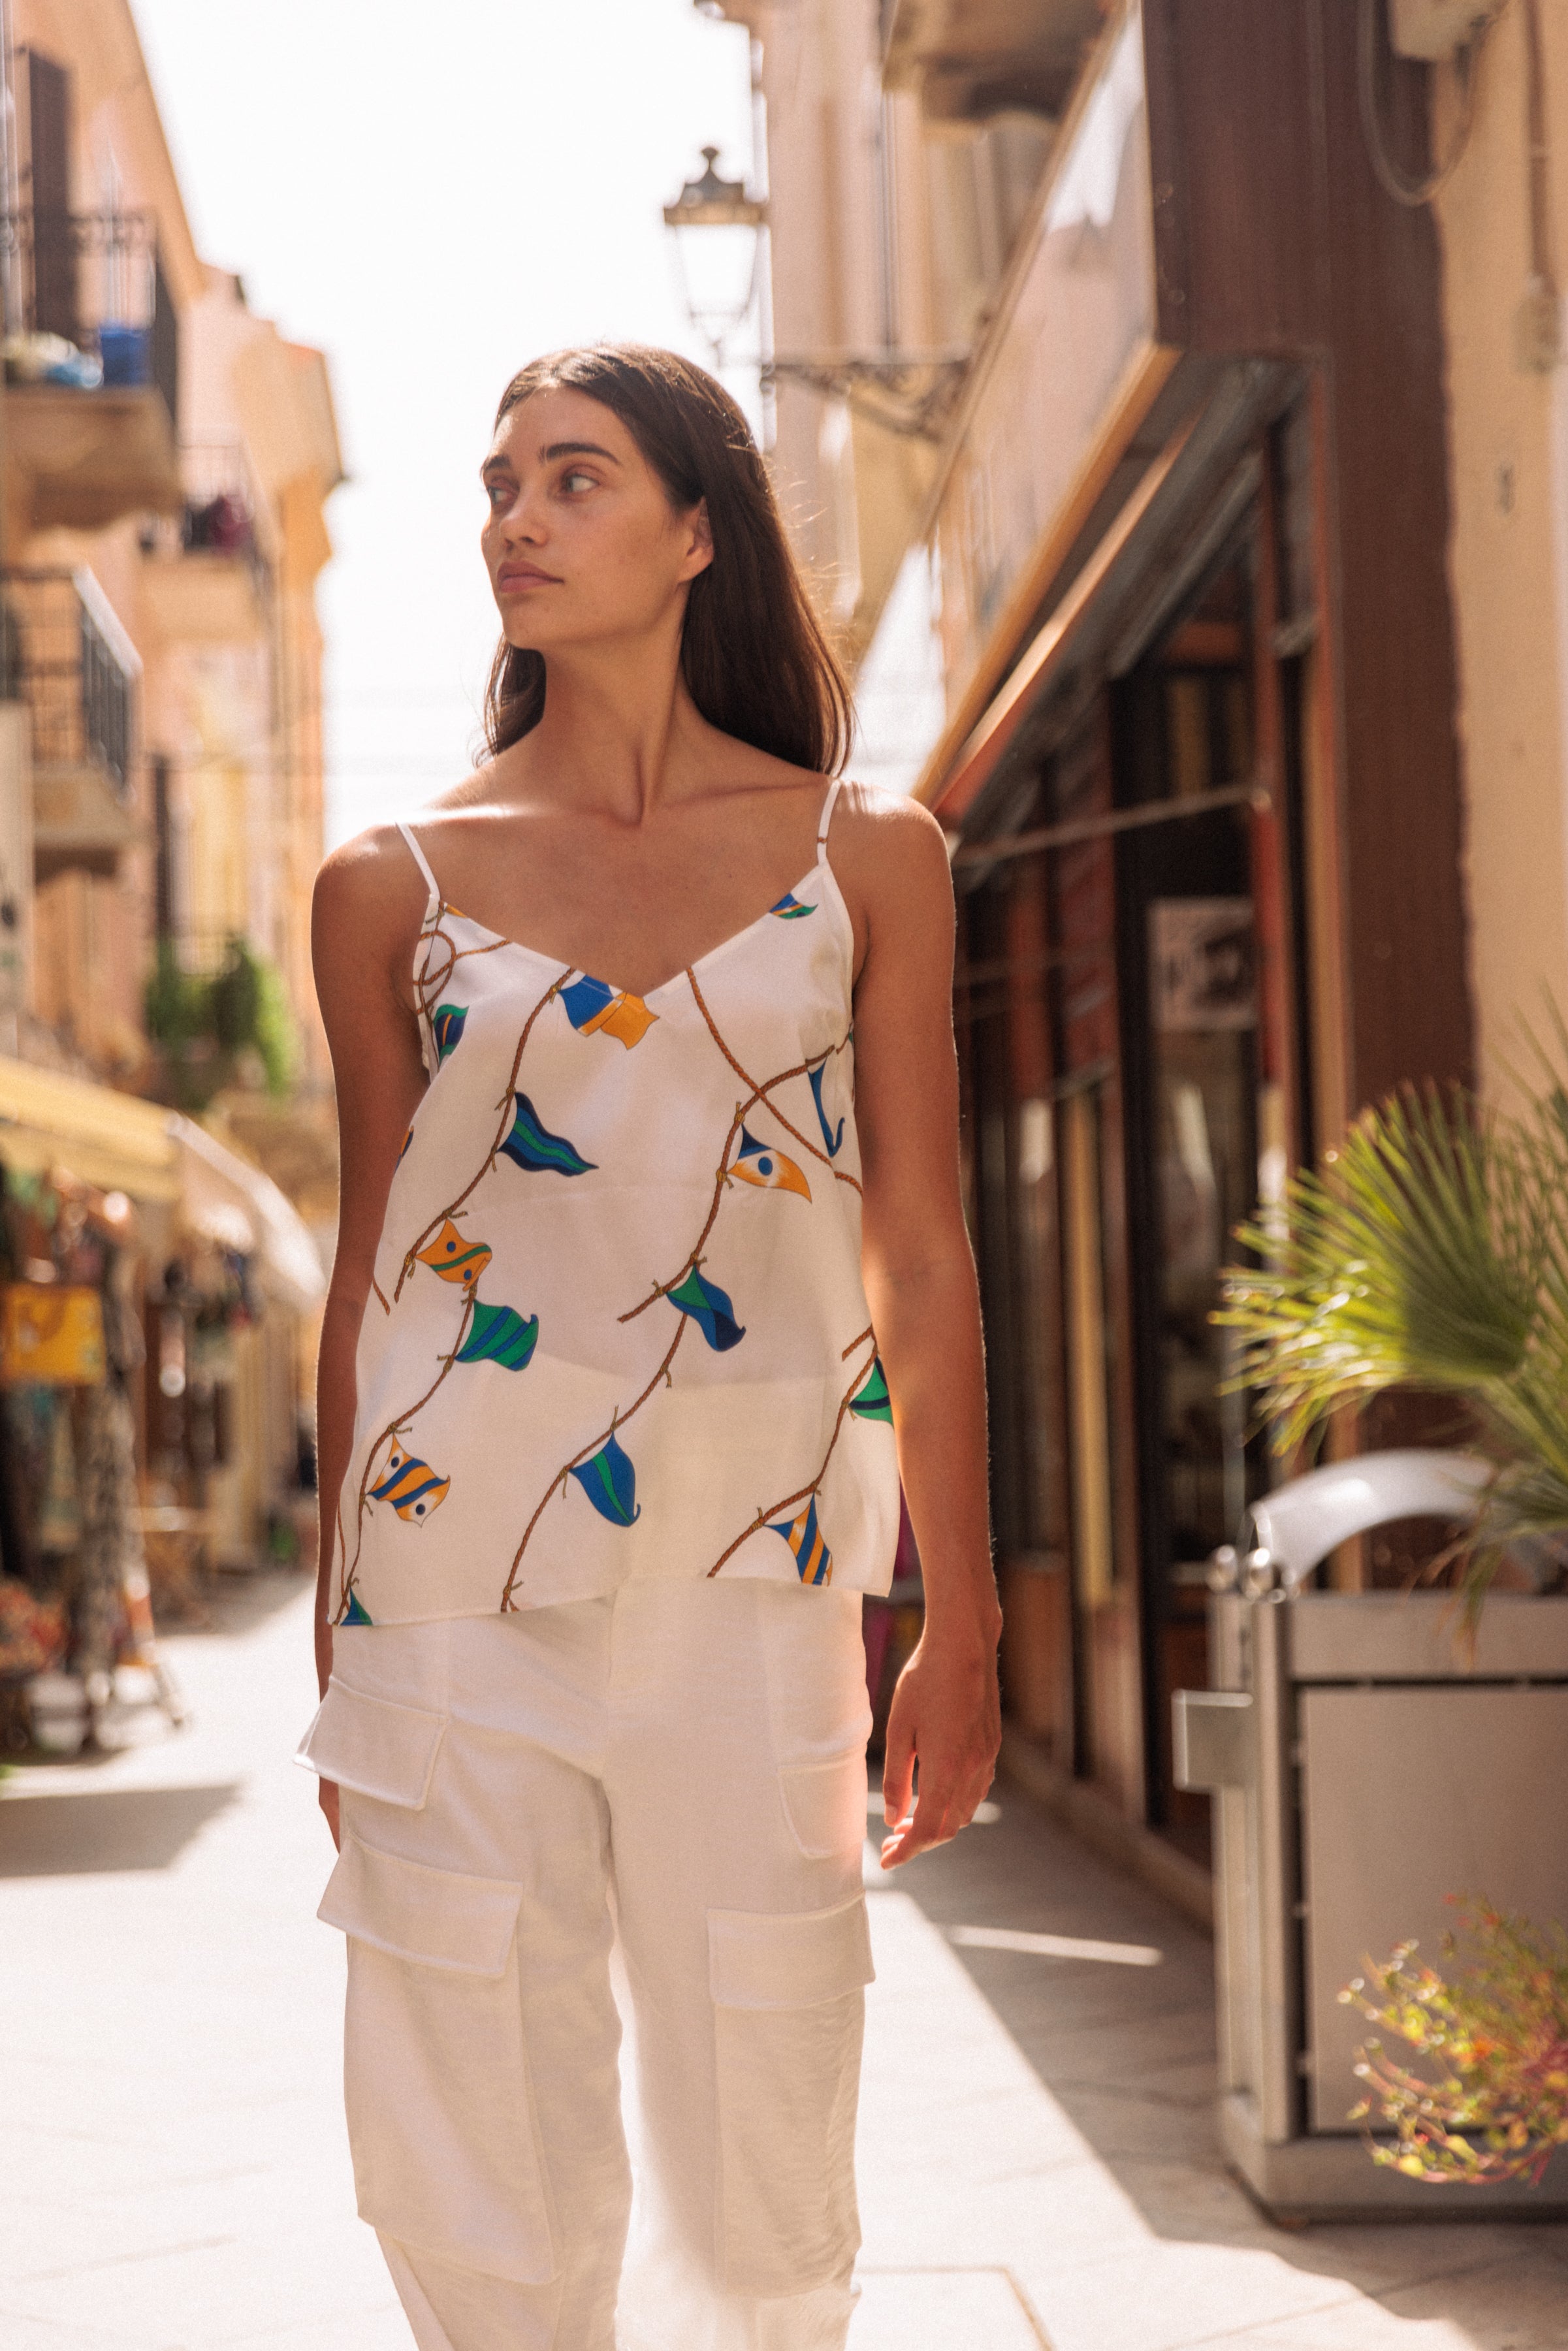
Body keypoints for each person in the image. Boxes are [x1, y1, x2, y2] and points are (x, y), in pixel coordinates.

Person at [299, 343, 999, 2351]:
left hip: (756, 1573)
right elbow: (371, 1280)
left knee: (760, 2161)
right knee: (474, 2162)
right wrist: (345, 1627)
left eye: (573, 479)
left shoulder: (867, 859)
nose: (513, 518)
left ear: (700, 532)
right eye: (499, 481)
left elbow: (919, 1256)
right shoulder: (389, 888)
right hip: (449, 1588)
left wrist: (956, 1607)